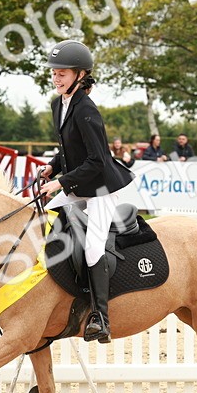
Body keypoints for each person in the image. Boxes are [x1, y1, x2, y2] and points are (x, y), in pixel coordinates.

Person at [38, 39, 134, 343]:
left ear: (80, 75)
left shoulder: (87, 110)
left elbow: (97, 160)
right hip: (79, 181)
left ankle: (101, 318)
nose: (56, 78)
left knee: (94, 246)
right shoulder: (59, 104)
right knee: (46, 218)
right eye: (54, 73)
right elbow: (69, 150)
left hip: (103, 186)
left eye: (62, 74)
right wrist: (53, 167)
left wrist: (61, 182)